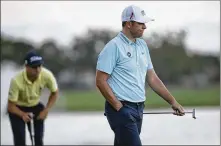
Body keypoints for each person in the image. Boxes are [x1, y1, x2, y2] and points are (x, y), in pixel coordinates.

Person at [95, 5, 185, 146]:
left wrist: (173, 102)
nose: (145, 27)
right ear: (129, 24)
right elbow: (100, 81)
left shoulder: (142, 46)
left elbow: (152, 78)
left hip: (139, 109)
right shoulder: (113, 47)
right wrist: (118, 107)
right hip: (121, 109)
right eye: (141, 23)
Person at [7, 50, 59, 146]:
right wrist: (22, 114)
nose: (38, 69)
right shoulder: (16, 80)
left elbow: (55, 92)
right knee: (20, 140)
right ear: (26, 67)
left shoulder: (47, 75)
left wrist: (46, 110)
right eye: (34, 67)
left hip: (35, 106)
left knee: (38, 139)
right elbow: (10, 106)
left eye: (40, 66)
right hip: (18, 109)